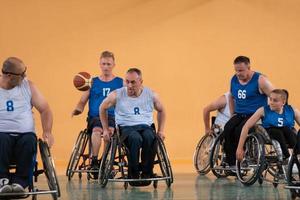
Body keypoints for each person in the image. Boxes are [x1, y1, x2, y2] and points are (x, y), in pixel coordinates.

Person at [100, 68, 166, 186]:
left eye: (133, 82)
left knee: (150, 137)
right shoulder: (117, 94)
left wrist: (161, 130)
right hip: (126, 128)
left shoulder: (151, 94)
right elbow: (102, 108)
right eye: (127, 81)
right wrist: (105, 129)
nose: (129, 85)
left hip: (145, 126)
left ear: (141, 81)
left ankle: (147, 173)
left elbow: (162, 110)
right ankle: (133, 174)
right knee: (135, 138)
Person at [0, 57, 54, 193]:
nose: (25, 76)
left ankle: (20, 183)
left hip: (25, 135)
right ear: (8, 75)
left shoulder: (28, 86)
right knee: (2, 139)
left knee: (30, 140)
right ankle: (2, 181)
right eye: (22, 74)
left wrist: (47, 132)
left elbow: (45, 109)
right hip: (2, 135)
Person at [72, 51, 123, 174]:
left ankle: (106, 161)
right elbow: (82, 101)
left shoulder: (120, 82)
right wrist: (78, 109)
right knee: (97, 130)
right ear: (100, 64)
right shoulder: (92, 82)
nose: (106, 67)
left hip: (112, 116)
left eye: (109, 64)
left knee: (110, 131)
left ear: (113, 65)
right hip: (95, 117)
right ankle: (94, 161)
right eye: (104, 64)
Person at [223, 56, 274, 167]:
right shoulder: (234, 79)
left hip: (255, 115)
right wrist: (232, 114)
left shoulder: (260, 80)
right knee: (227, 129)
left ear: (249, 67)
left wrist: (269, 115)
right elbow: (231, 96)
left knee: (240, 130)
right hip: (240, 113)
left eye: (241, 70)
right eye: (236, 70)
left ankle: (243, 157)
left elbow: (276, 97)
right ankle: (231, 163)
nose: (238, 73)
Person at [236, 89, 300, 162]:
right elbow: (246, 126)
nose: (271, 103)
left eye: (275, 100)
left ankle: (297, 155)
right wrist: (240, 148)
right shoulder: (263, 110)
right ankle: (287, 156)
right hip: (270, 133)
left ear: (283, 102)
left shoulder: (292, 110)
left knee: (288, 130)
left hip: (287, 134)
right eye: (270, 99)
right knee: (277, 131)